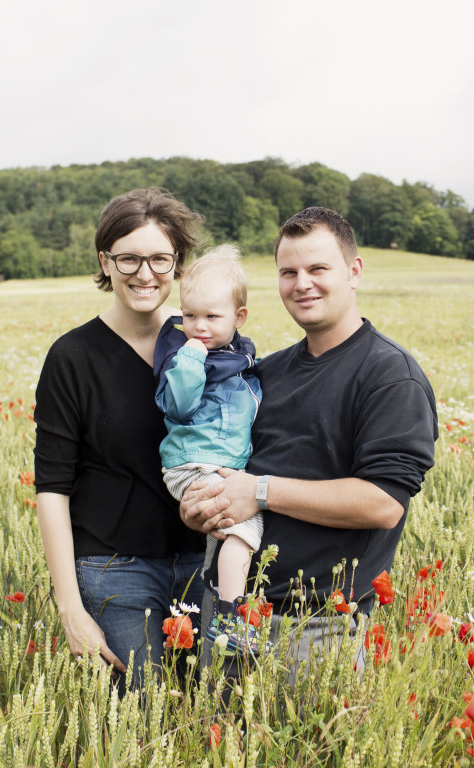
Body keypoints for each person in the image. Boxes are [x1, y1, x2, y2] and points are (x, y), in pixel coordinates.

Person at [180, 206, 437, 669]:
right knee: (214, 742)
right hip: (228, 612)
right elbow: (226, 465)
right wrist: (205, 502)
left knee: (309, 745)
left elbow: (382, 503)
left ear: (353, 271)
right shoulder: (263, 373)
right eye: (288, 272)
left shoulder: (389, 377)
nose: (302, 283)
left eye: (318, 268)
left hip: (314, 629)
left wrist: (258, 491)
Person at [33, 187, 206, 688]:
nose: (145, 274)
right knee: (142, 720)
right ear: (105, 262)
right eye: (129, 258)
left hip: (203, 561)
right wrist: (70, 608)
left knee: (212, 712)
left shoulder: (204, 344)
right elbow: (52, 487)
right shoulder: (73, 358)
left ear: (178, 264)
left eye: (159, 258)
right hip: (114, 571)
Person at [153, 245, 265, 653]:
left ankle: (213, 613)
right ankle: (232, 620)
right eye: (190, 315)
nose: (198, 326)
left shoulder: (239, 360)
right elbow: (178, 406)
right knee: (244, 528)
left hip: (215, 464)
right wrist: (191, 360)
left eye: (212, 317)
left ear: (239, 318)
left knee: (221, 540)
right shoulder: (185, 355)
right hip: (193, 465)